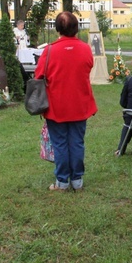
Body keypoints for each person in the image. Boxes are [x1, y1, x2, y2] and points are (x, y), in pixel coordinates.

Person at [34, 12, 97, 192]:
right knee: (77, 142)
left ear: (57, 29)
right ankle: (77, 180)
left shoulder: (50, 50)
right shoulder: (85, 48)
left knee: (60, 143)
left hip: (56, 106)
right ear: (77, 28)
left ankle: (62, 181)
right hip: (80, 104)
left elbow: (38, 76)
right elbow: (87, 66)